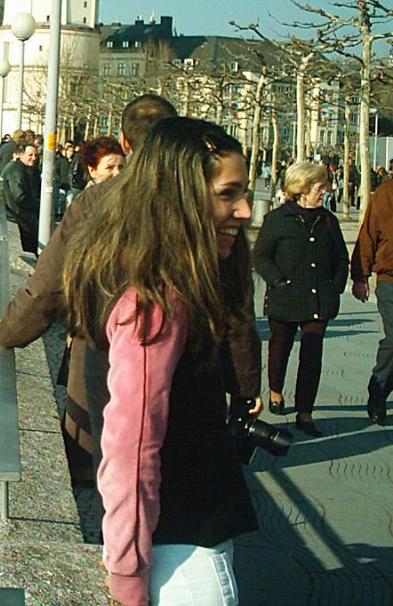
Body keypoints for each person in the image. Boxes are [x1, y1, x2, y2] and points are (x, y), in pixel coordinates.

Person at [64, 117, 258, 606]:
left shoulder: (141, 275)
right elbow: (131, 443)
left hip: (178, 538)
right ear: (180, 196)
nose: (245, 210)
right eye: (228, 194)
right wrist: (128, 570)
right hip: (181, 551)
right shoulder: (156, 299)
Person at [254, 161, 348, 436]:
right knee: (279, 348)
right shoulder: (277, 219)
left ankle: (305, 412)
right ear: (302, 188)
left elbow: (341, 256)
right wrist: (278, 282)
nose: (324, 191)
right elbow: (261, 256)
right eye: (319, 187)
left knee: (312, 354)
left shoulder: (328, 220)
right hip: (285, 298)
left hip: (319, 300)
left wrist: (335, 285)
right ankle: (275, 391)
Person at [351, 170, 393, 425]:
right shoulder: (386, 193)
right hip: (390, 279)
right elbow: (368, 235)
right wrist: (360, 276)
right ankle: (378, 390)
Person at [0, 142, 40, 254]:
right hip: (19, 217)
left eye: (35, 155)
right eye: (30, 155)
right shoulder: (17, 171)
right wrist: (38, 205)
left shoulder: (20, 168)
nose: (34, 158)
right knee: (29, 250)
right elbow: (19, 197)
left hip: (17, 215)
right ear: (21, 155)